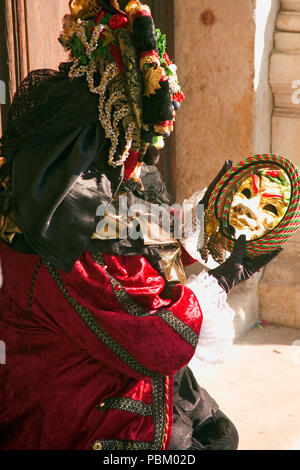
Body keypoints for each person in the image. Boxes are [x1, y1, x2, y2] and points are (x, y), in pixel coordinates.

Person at [0, 0, 280, 450]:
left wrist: (201, 233)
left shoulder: (52, 184)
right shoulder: (68, 232)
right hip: (82, 408)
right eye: (139, 140)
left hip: (103, 368)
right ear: (107, 132)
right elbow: (163, 338)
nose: (146, 156)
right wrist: (223, 281)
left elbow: (140, 248)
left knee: (220, 431)